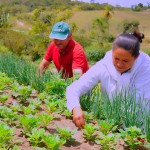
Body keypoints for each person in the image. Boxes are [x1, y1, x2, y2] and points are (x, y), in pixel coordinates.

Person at [66, 32, 150, 128]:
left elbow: (137, 105)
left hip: (139, 127)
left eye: (125, 61)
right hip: (111, 123)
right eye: (116, 58)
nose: (119, 64)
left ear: (136, 57)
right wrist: (75, 107)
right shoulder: (105, 65)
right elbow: (74, 88)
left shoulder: (146, 69)